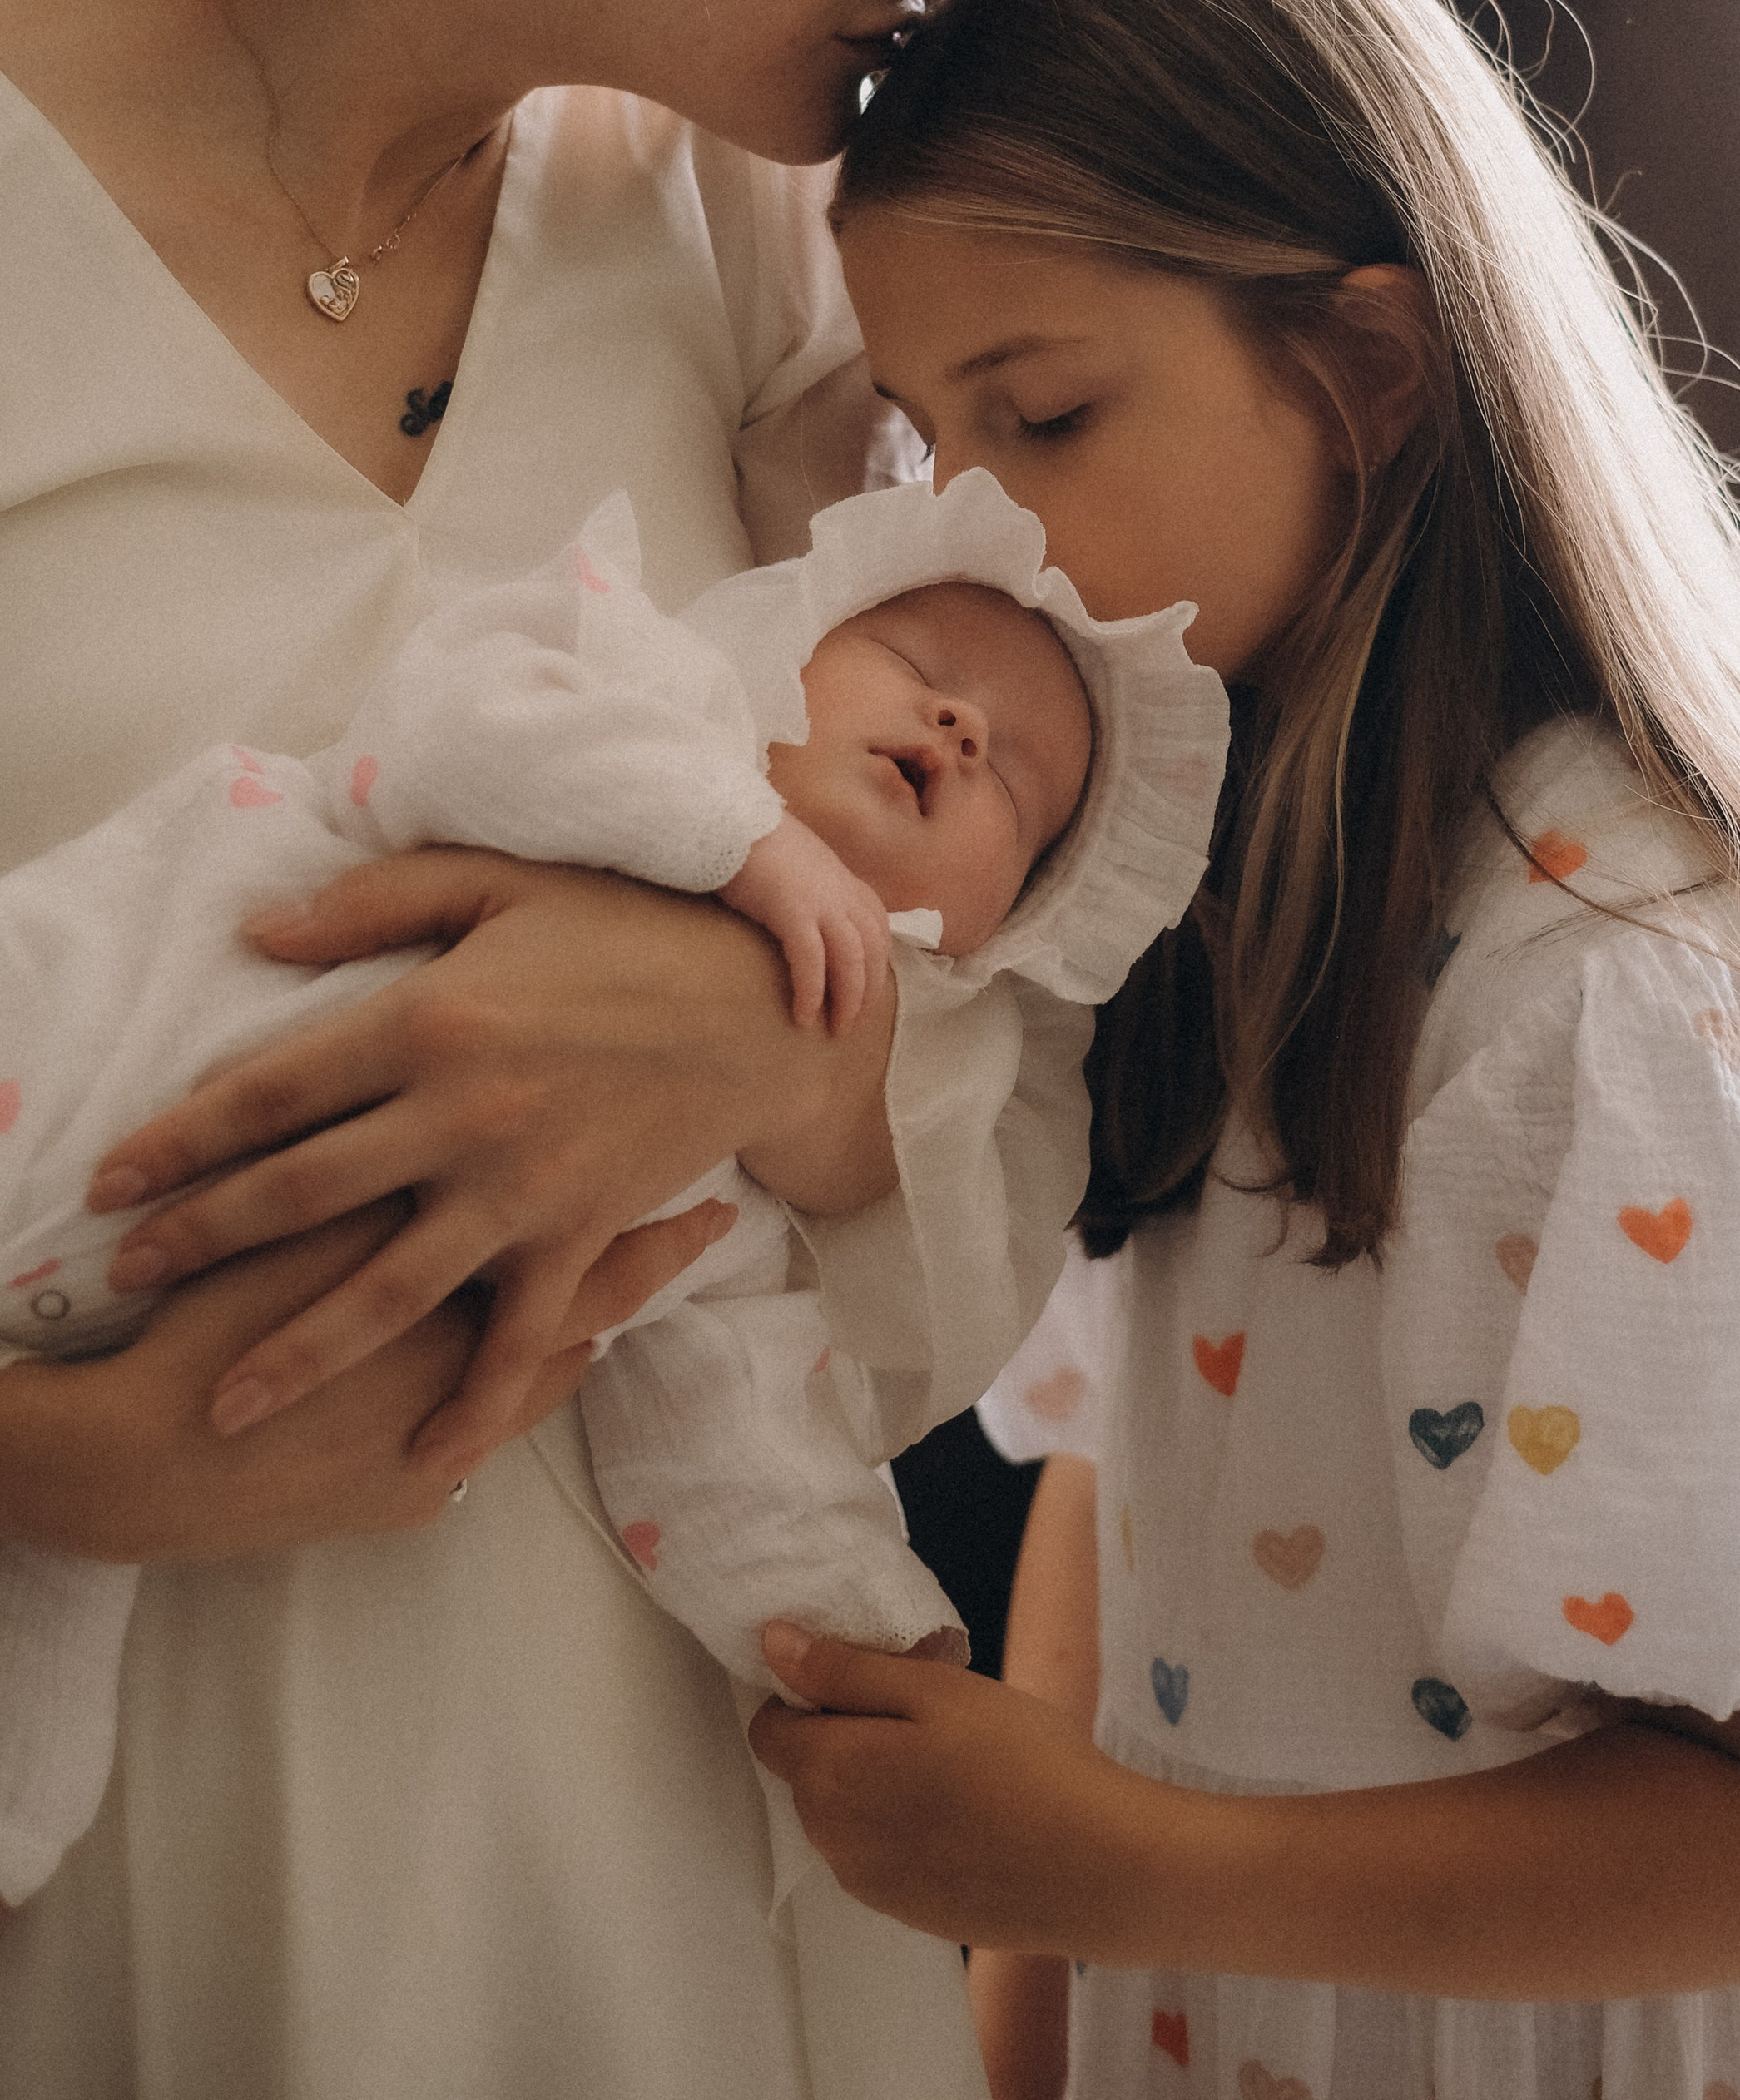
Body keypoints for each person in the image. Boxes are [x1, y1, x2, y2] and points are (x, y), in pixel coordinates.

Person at [0, 0, 1142, 2098]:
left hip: (680, 1843)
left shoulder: (791, 272)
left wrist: (774, 1053)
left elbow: (1005, 1142)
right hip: (114, 1856)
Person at [750, 0, 1740, 2100]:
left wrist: (1111, 1867)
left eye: (1049, 417)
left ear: (1369, 368)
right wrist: (1035, 2002)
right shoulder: (1197, 897)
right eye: (928, 440)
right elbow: (1110, 1490)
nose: (969, 526)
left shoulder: (1627, 982)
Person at [0, 466, 1227, 1914]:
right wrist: (731, 836)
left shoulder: (738, 1185)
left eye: (1017, 791)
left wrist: (856, 1637)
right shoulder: (641, 702)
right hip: (88, 1023)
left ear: (992, 940)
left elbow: (726, 1433)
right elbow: (449, 722)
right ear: (788, 640)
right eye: (919, 666)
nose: (962, 730)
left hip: (153, 1393)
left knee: (37, 1741)